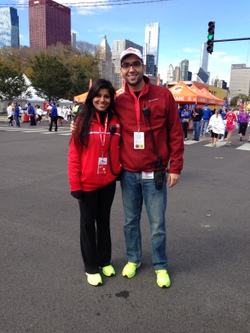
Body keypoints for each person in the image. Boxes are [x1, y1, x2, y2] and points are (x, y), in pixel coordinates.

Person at [70, 48, 184, 288]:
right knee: (130, 222)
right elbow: (96, 116)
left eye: (135, 64)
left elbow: (175, 132)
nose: (131, 69)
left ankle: (160, 265)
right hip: (128, 174)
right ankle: (133, 259)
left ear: (143, 67)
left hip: (156, 172)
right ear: (121, 70)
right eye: (126, 65)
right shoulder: (118, 101)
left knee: (157, 225)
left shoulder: (163, 95)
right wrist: (76, 124)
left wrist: (176, 166)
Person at [68, 79, 121, 286]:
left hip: (108, 181)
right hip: (87, 183)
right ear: (92, 98)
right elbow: (74, 155)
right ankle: (91, 267)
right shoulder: (82, 120)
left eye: (107, 96)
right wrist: (75, 185)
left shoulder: (116, 120)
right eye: (98, 96)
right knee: (88, 225)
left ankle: (104, 260)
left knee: (104, 222)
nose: (102, 100)